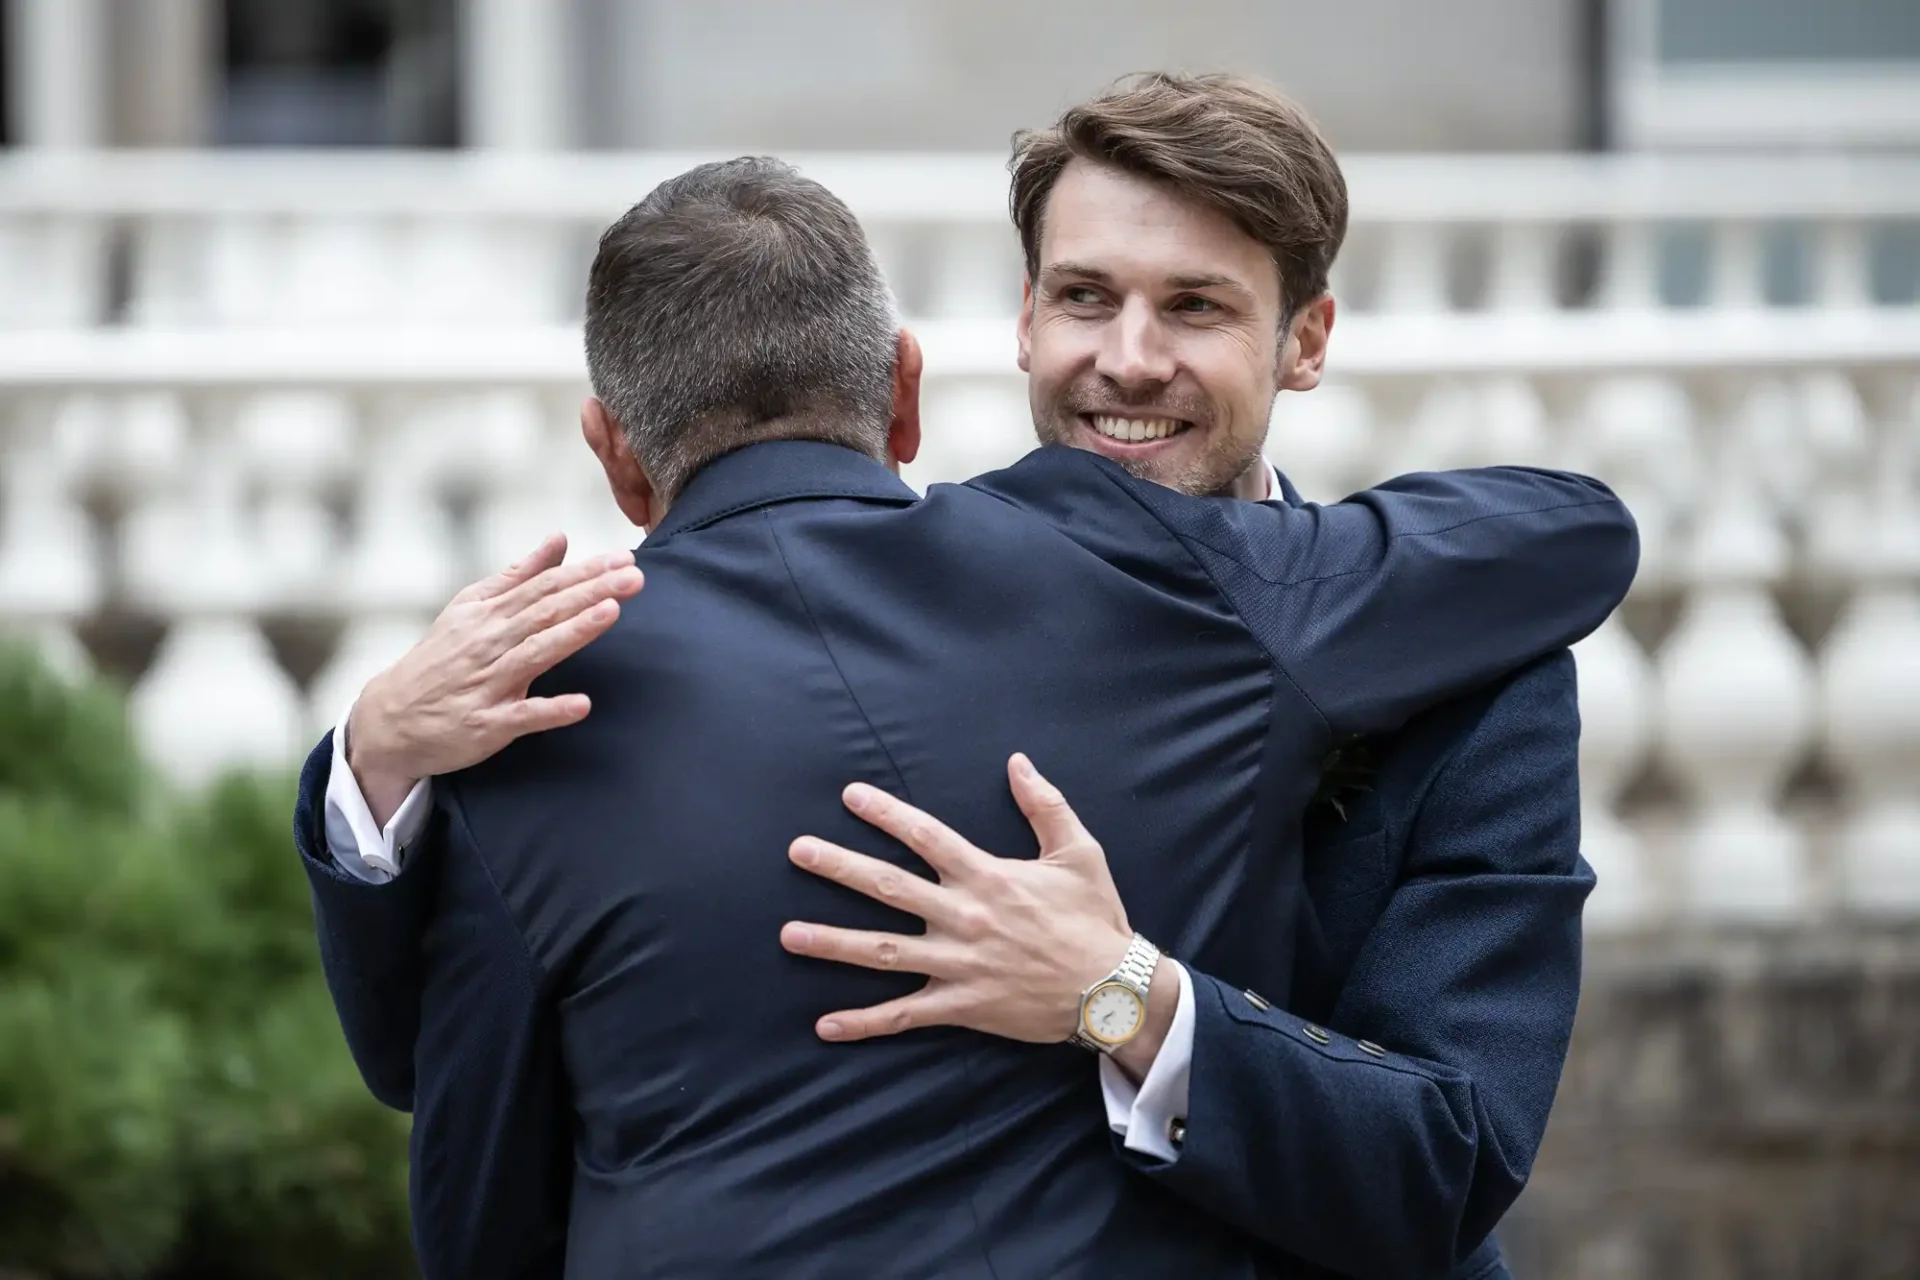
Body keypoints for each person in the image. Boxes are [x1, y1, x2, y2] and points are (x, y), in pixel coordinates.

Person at [299, 78, 1629, 1278]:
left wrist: (1124, 996)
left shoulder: (1457, 660)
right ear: (985, 341)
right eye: (1085, 296)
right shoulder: (527, 713)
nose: (1127, 357)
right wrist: (371, 763)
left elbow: (1449, 1161)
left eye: (1199, 307)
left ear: (1308, 338)